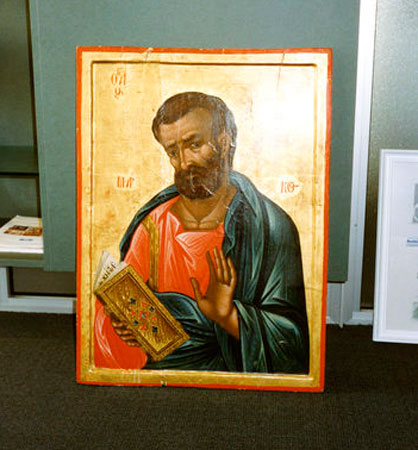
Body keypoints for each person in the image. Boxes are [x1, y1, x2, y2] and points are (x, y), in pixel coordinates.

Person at [94, 91, 309, 374]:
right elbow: (120, 308)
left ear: (224, 141)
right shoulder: (154, 225)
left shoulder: (270, 226)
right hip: (162, 376)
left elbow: (292, 342)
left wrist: (228, 316)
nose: (184, 163)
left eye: (194, 145)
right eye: (173, 152)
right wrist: (122, 324)